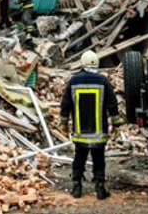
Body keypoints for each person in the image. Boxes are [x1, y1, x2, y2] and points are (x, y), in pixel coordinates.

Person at [60, 50, 123, 200]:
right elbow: (112, 103)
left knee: (79, 157)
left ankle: (77, 186)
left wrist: (64, 124)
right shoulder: (103, 81)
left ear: (82, 63)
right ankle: (100, 188)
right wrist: (116, 124)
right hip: (99, 131)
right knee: (98, 158)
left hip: (80, 130)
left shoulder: (74, 81)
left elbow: (65, 104)